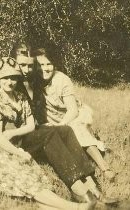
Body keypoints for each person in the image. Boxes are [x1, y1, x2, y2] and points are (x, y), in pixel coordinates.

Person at [0, 57, 95, 210]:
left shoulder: (20, 96)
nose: (9, 82)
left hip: (15, 139)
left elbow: (30, 125)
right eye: (5, 78)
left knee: (64, 132)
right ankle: (75, 205)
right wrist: (18, 151)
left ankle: (89, 184)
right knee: (26, 178)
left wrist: (14, 132)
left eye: (14, 78)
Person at [34, 50, 116, 181]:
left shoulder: (61, 80)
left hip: (71, 114)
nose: (45, 68)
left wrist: (60, 126)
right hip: (50, 117)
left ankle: (105, 168)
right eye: (40, 64)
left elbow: (73, 110)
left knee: (75, 127)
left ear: (54, 65)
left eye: (48, 64)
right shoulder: (34, 80)